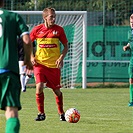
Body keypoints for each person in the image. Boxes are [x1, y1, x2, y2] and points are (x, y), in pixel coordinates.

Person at [0, 0, 33, 133]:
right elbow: (26, 39)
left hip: (8, 69)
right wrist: (28, 59)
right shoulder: (13, 17)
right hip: (8, 69)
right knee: (11, 111)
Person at [30, 7, 68, 121]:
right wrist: (32, 57)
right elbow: (28, 44)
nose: (54, 18)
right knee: (39, 86)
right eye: (51, 16)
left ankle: (61, 113)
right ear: (45, 17)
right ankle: (41, 113)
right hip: (40, 64)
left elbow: (66, 46)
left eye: (54, 16)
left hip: (53, 66)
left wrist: (61, 58)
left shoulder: (59, 30)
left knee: (56, 91)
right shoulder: (37, 30)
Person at [123, 14, 133, 106]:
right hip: (132, 59)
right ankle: (132, 101)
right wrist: (127, 46)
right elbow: (131, 42)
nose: (132, 24)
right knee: (131, 80)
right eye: (131, 22)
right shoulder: (130, 32)